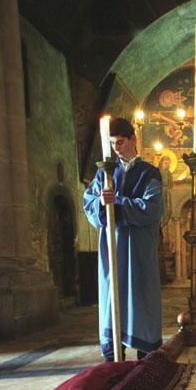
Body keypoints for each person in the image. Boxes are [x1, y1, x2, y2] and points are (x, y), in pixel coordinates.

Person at [83, 117, 164, 361]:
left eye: (120, 142)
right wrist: (99, 202)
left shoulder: (150, 173)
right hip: (112, 247)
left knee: (142, 298)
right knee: (112, 297)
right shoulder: (105, 172)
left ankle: (146, 358)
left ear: (132, 140)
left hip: (139, 249)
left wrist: (116, 203)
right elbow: (89, 203)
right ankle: (113, 358)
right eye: (112, 144)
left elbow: (150, 208)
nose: (116, 148)